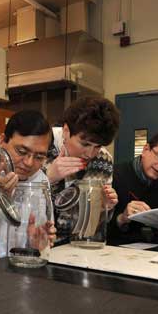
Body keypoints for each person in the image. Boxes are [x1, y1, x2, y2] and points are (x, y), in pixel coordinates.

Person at [0, 109, 56, 256]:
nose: (29, 163)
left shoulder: (41, 180)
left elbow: (41, 238)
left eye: (39, 157)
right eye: (21, 151)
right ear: (2, 141)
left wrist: (38, 244)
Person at [44, 97, 121, 243]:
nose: (90, 154)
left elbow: (93, 226)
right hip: (37, 248)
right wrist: (47, 178)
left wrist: (104, 208)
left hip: (77, 248)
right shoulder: (40, 146)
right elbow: (15, 204)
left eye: (97, 146)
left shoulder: (103, 159)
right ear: (66, 131)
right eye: (85, 144)